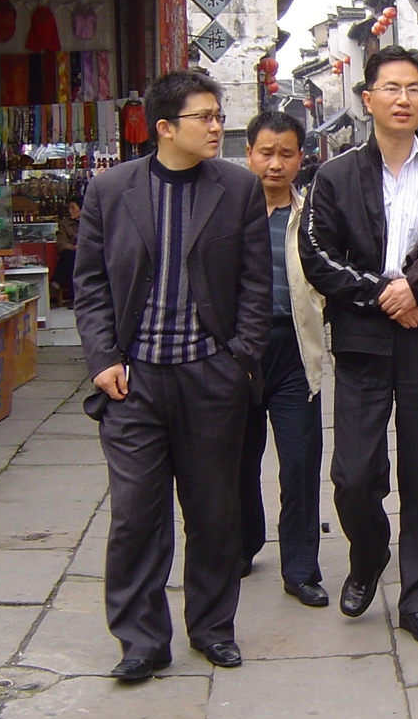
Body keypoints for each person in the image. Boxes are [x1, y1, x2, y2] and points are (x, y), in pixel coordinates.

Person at [73, 69, 271, 681]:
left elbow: (255, 285)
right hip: (133, 383)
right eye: (203, 117)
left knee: (214, 513)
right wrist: (103, 360)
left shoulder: (237, 188)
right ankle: (141, 641)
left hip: (210, 377)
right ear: (164, 127)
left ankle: (212, 628)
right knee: (136, 515)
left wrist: (237, 360)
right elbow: (90, 284)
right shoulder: (111, 190)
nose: (216, 127)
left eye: (218, 115)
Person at [300, 45, 418, 646]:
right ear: (367, 99)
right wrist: (384, 293)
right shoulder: (334, 176)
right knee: (354, 474)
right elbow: (316, 255)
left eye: (413, 88)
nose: (403, 99)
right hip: (363, 336)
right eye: (391, 88)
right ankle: (368, 555)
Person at [238, 110, 328, 607]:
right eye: (266, 153)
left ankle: (301, 569)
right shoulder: (226, 212)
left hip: (294, 350)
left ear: (300, 159)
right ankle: (242, 544)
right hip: (237, 354)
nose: (275, 164)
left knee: (298, 462)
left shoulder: (313, 216)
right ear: (249, 154)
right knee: (236, 460)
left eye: (286, 154)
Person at [53, 197, 81, 306]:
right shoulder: (64, 224)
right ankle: (75, 299)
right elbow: (61, 243)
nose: (70, 211)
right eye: (69, 208)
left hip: (88, 252)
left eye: (73, 208)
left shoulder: (90, 222)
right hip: (72, 252)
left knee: (70, 258)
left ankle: (57, 281)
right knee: (70, 258)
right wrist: (74, 247)